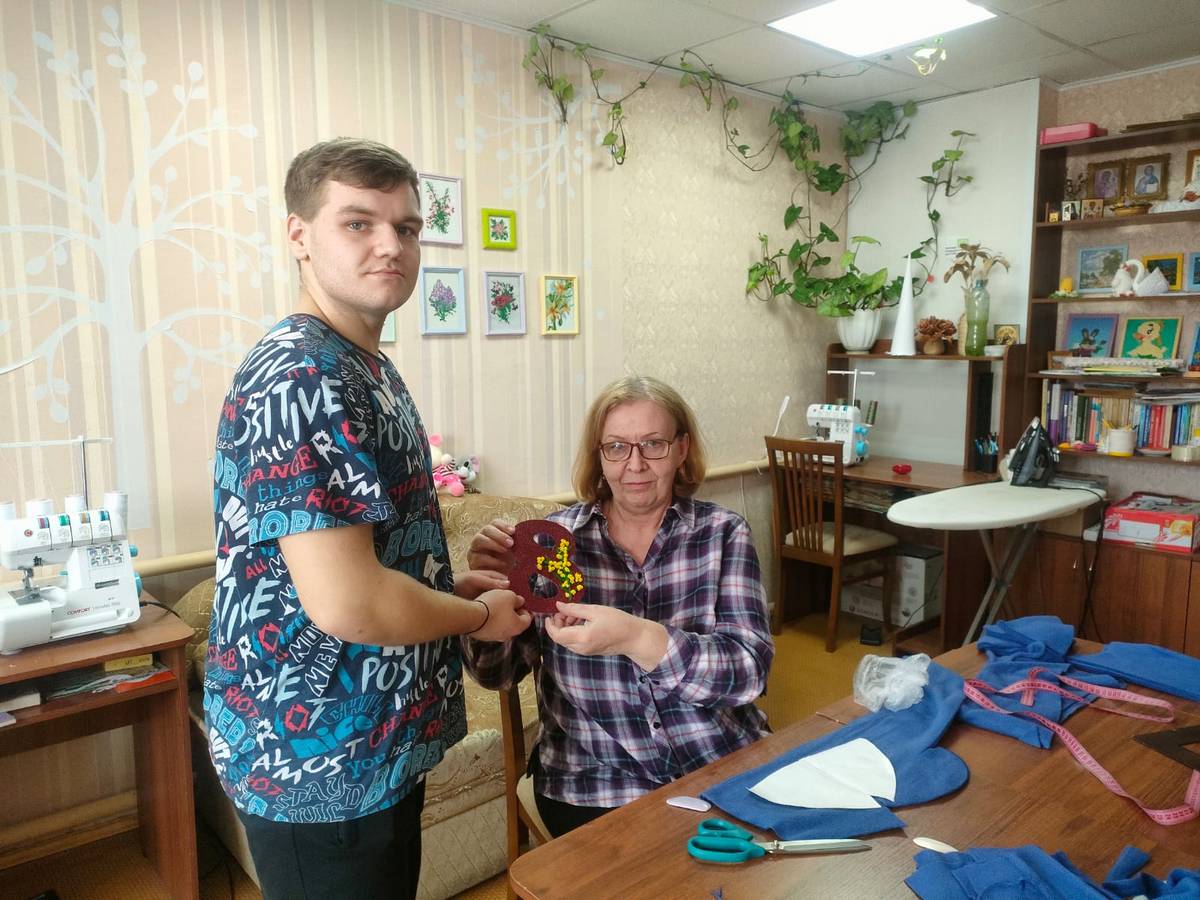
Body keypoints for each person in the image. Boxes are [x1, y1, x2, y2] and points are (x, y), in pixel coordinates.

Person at [206, 138, 531, 900]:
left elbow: (374, 559)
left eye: (407, 228)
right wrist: (477, 616)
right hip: (321, 764)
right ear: (298, 235)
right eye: (358, 223)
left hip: (375, 748)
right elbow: (349, 601)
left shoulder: (361, 363)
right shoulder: (303, 375)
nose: (391, 245)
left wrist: (447, 587)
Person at [462, 376, 774, 837]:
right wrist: (486, 604)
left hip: (717, 761)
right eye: (616, 447)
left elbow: (748, 673)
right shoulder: (555, 543)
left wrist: (639, 638)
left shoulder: (723, 534)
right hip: (595, 781)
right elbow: (496, 674)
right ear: (599, 455)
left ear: (682, 449)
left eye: (653, 444)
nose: (635, 464)